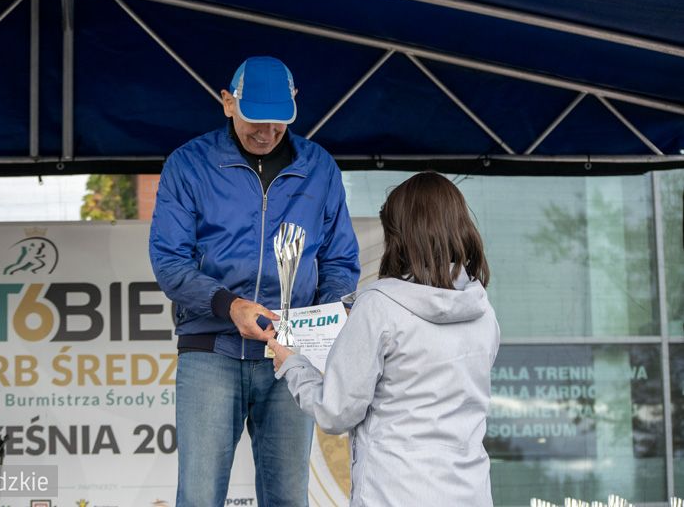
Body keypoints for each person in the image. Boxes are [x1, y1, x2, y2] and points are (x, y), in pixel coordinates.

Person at [149, 56, 360, 507]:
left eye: (278, 124)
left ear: (294, 105)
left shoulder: (320, 168)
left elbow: (340, 260)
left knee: (288, 497)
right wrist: (229, 306)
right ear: (228, 103)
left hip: (290, 358)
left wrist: (321, 323)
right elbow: (169, 262)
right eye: (254, 122)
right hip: (211, 350)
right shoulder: (188, 165)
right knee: (199, 496)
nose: (266, 133)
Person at [268, 171, 500, 506]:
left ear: (399, 236)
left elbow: (336, 412)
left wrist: (293, 365)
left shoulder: (378, 306)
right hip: (470, 493)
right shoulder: (483, 311)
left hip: (392, 493)